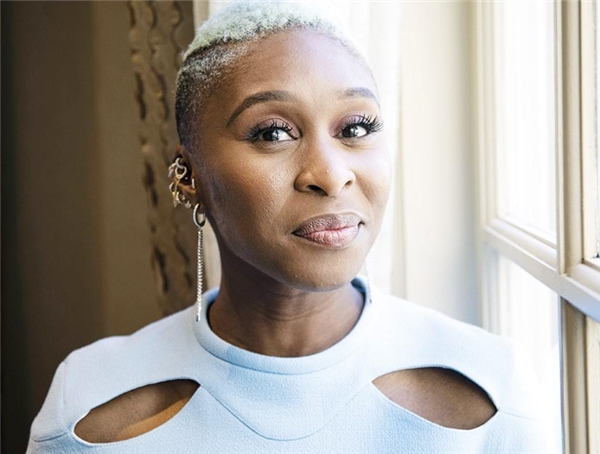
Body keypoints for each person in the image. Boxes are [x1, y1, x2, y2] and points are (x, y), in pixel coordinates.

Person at [27, 2, 554, 452]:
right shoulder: (89, 409)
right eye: (273, 133)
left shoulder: (493, 391)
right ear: (188, 177)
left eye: (356, 127)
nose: (330, 174)